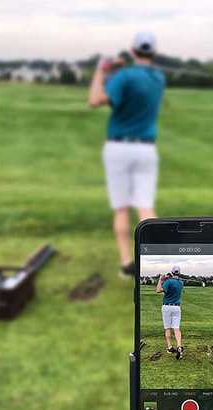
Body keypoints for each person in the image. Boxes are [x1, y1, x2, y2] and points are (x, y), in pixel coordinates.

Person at [88, 32, 166, 278]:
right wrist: (116, 73)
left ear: (133, 50)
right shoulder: (158, 79)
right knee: (145, 208)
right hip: (146, 149)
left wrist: (103, 69)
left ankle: (127, 265)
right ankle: (157, 266)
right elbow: (125, 93)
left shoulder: (124, 76)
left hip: (118, 148)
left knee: (122, 208)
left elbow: (95, 100)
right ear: (153, 52)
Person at [156, 265, 184, 359]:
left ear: (172, 272)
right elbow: (171, 284)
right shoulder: (181, 283)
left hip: (167, 307)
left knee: (168, 328)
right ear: (179, 273)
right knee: (176, 328)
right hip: (176, 308)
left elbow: (158, 290)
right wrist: (166, 280)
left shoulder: (168, 282)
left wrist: (161, 279)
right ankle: (179, 346)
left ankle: (170, 347)